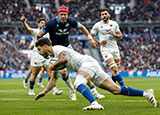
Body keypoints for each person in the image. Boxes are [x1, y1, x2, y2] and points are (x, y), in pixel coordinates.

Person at [34, 38, 158, 110]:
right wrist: (44, 92)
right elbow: (54, 80)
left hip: (87, 63)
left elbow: (65, 59)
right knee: (115, 90)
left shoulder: (57, 49)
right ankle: (146, 93)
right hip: (90, 65)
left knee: (78, 83)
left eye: (39, 49)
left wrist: (52, 66)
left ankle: (95, 103)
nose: (39, 53)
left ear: (45, 46)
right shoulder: (53, 59)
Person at [37, 5, 105, 99]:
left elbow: (82, 27)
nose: (64, 16)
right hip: (55, 50)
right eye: (61, 14)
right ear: (58, 15)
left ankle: (94, 92)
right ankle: (72, 90)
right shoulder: (50, 23)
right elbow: (39, 34)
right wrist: (45, 50)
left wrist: (90, 38)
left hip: (67, 48)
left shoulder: (70, 21)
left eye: (65, 14)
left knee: (81, 68)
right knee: (63, 73)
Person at [20, 14, 63, 95]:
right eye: (41, 23)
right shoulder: (36, 32)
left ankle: (54, 89)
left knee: (51, 72)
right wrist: (23, 22)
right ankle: (31, 90)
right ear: (38, 24)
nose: (43, 24)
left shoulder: (48, 33)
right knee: (35, 73)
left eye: (44, 23)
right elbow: (28, 29)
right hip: (37, 55)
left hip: (47, 56)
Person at [90, 9, 125, 86]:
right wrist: (99, 42)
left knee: (116, 71)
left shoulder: (114, 24)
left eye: (105, 14)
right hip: (105, 49)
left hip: (115, 49)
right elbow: (91, 35)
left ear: (109, 15)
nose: (104, 16)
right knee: (114, 68)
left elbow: (120, 36)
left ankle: (113, 87)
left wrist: (114, 35)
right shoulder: (97, 25)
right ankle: (123, 87)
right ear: (101, 16)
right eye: (102, 14)